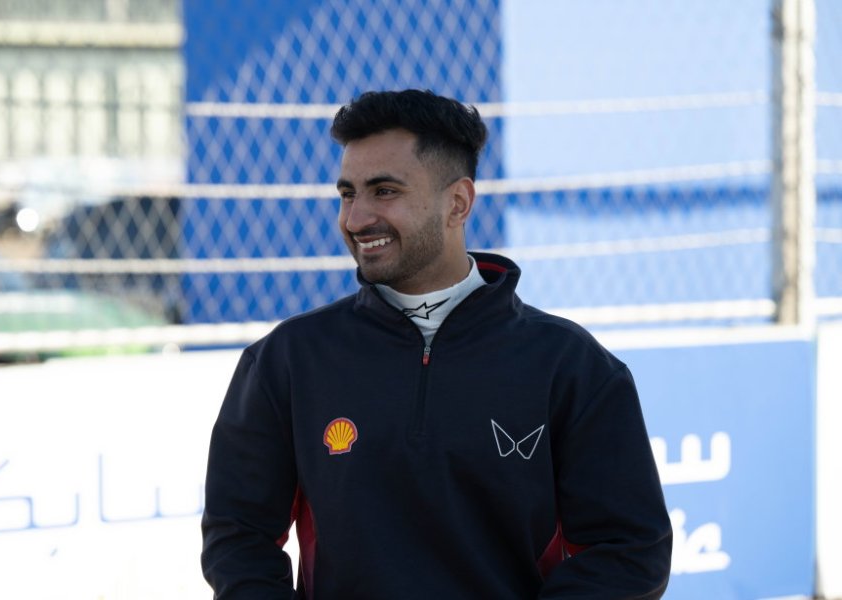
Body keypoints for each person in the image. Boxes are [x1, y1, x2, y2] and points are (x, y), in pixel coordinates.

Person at [201, 89, 672, 599]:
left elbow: (629, 550)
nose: (356, 218)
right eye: (347, 193)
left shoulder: (570, 365)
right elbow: (239, 535)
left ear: (458, 202)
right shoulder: (288, 359)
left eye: (384, 191)